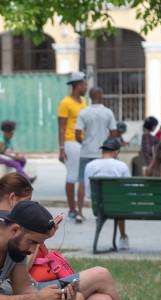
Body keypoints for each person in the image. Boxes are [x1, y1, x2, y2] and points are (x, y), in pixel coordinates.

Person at [74, 86, 118, 223]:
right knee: (102, 183)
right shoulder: (108, 112)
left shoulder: (83, 112)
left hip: (86, 152)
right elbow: (114, 133)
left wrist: (86, 142)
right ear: (100, 96)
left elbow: (77, 134)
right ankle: (101, 212)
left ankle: (79, 213)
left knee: (81, 181)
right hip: (102, 153)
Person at [84, 138, 131, 249]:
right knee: (120, 202)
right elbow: (128, 190)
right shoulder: (122, 166)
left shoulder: (90, 166)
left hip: (99, 207)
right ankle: (123, 237)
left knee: (117, 202)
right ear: (116, 151)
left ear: (102, 151)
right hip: (119, 207)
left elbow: (89, 193)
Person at [57, 71, 88, 222]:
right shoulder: (65, 103)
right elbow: (61, 127)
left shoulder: (83, 101)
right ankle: (71, 209)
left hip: (82, 142)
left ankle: (78, 209)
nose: (86, 87)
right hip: (70, 142)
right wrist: (62, 148)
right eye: (84, 85)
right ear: (77, 85)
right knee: (72, 176)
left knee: (81, 176)